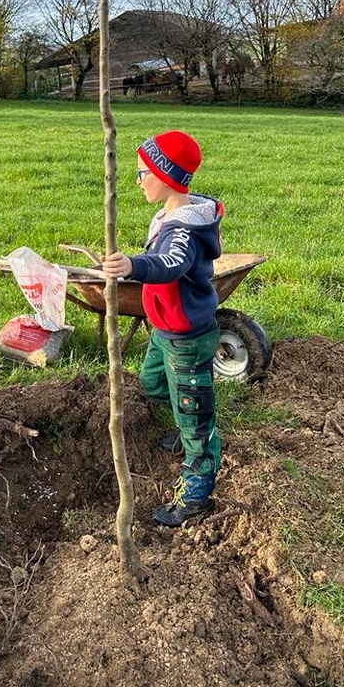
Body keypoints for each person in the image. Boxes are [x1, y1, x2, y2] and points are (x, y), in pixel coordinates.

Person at [103, 130, 223, 527]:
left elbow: (172, 263)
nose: (138, 180)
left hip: (187, 336)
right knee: (154, 381)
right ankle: (183, 424)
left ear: (166, 176)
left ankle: (197, 487)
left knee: (196, 418)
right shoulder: (169, 216)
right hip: (164, 328)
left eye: (143, 173)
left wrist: (134, 266)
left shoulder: (183, 230)